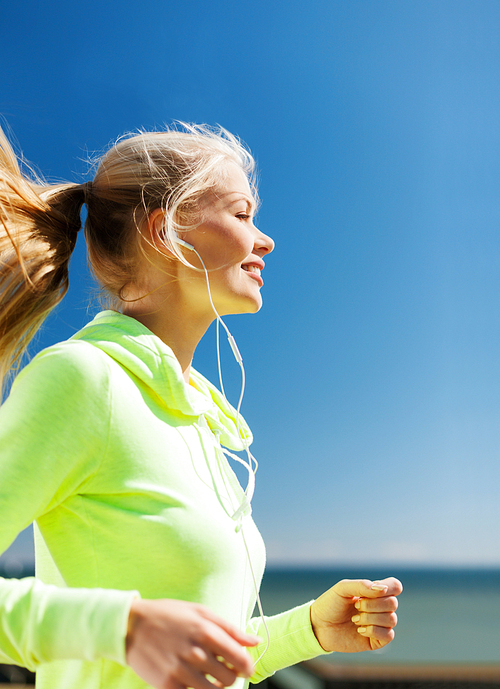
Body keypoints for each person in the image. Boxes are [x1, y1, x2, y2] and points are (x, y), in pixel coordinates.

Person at [0, 122, 402, 689]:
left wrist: (310, 629)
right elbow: (142, 636)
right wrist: (123, 628)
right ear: (165, 233)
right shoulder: (85, 380)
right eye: (241, 215)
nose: (265, 241)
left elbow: (201, 655)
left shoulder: (195, 414)